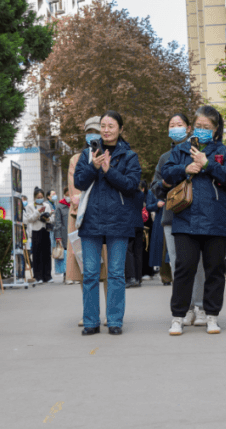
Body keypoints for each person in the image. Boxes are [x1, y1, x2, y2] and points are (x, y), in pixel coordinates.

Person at [161, 105, 226, 336]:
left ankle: (212, 316)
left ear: (216, 130)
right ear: (193, 127)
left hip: (216, 218)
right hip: (186, 217)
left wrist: (207, 163)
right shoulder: (181, 150)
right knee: (184, 268)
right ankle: (178, 316)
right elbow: (166, 174)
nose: (202, 131)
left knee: (215, 269)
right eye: (199, 126)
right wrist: (185, 168)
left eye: (208, 127)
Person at [74, 111, 142, 335]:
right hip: (91, 221)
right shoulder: (88, 153)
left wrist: (108, 171)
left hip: (119, 221)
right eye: (103, 125)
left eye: (111, 126)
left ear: (120, 129)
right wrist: (93, 166)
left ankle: (114, 321)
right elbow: (79, 182)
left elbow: (131, 185)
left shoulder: (129, 156)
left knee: (115, 273)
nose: (106, 130)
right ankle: (91, 321)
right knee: (91, 274)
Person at [152, 113, 207, 319]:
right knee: (178, 264)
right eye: (172, 125)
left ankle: (200, 306)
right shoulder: (165, 157)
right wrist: (164, 184)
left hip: (198, 215)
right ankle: (186, 308)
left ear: (189, 127)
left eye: (179, 124)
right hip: (172, 216)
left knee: (198, 263)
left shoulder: (199, 152)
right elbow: (155, 187)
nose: (175, 128)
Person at [67, 116, 103, 286]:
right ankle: (89, 309)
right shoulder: (75, 159)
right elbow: (75, 194)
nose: (93, 136)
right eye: (89, 132)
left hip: (105, 216)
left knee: (108, 269)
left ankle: (110, 311)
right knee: (84, 268)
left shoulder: (109, 156)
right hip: (80, 217)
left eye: (96, 132)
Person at [25, 188, 53, 283]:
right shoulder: (30, 206)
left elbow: (52, 218)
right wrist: (38, 212)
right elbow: (29, 219)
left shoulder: (47, 205)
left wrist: (47, 218)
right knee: (37, 254)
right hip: (35, 231)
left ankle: (47, 276)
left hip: (45, 230)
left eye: (41, 197)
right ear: (34, 197)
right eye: (38, 197)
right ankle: (38, 276)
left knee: (46, 254)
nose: (40, 198)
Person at [125, 181, 147, 287]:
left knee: (128, 250)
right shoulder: (141, 194)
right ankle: (138, 278)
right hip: (139, 224)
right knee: (138, 252)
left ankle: (131, 277)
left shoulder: (128, 193)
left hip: (129, 224)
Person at [52, 190, 69, 278]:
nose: (69, 196)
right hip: (64, 234)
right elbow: (57, 222)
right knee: (66, 254)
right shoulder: (59, 206)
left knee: (76, 253)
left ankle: (75, 274)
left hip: (76, 234)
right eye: (67, 194)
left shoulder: (76, 205)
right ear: (64, 195)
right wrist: (58, 236)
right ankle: (66, 275)